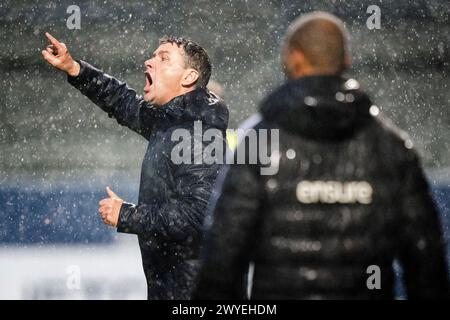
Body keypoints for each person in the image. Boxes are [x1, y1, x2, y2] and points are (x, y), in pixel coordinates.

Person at [193, 12, 449, 299]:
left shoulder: (259, 142)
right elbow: (426, 257)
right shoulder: (391, 145)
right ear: (346, 60)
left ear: (293, 59)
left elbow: (224, 252)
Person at [41, 33, 229, 299]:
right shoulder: (173, 121)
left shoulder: (195, 132)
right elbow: (122, 101)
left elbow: (198, 217)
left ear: (188, 78)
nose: (149, 62)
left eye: (163, 58)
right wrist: (75, 68)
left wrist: (127, 215)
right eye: (153, 55)